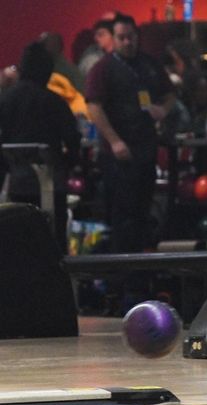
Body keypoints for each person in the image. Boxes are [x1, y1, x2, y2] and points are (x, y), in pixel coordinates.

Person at [85, 13, 175, 254]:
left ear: (137, 37)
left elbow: (169, 94)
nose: (127, 42)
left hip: (146, 148)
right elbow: (93, 106)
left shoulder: (149, 64)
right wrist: (114, 141)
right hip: (117, 155)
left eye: (131, 37)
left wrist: (162, 110)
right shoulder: (103, 68)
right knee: (121, 217)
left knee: (143, 212)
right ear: (113, 39)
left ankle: (139, 276)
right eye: (122, 37)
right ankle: (120, 279)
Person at [0, 42, 81, 252]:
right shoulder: (54, 102)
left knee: (18, 247)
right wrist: (68, 163)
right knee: (53, 247)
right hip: (51, 186)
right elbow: (73, 139)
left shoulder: (5, 100)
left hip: (15, 185)